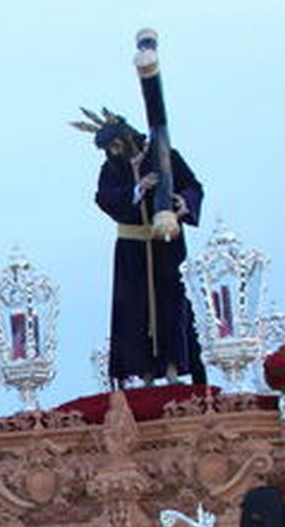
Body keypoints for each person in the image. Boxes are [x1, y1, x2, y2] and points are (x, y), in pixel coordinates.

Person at [88, 110, 206, 386]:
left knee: (171, 305)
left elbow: (193, 187)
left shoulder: (165, 156)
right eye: (109, 149)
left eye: (116, 145)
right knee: (134, 310)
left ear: (127, 137)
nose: (114, 152)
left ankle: (174, 366)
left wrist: (183, 203)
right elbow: (104, 198)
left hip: (165, 242)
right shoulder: (111, 168)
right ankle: (145, 372)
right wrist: (138, 189)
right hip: (132, 248)